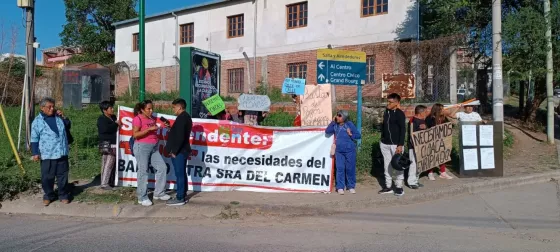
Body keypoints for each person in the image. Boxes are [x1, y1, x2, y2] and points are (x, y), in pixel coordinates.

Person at [31, 97, 72, 206]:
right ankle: (49, 195)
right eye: (49, 107)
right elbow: (34, 139)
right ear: (42, 108)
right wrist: (35, 153)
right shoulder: (37, 121)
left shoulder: (58, 117)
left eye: (53, 106)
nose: (52, 108)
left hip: (61, 152)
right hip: (48, 154)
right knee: (47, 177)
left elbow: (68, 125)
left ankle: (63, 194)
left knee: (63, 176)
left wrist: (63, 116)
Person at [132, 100, 171, 206]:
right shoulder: (137, 119)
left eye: (151, 108)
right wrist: (149, 129)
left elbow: (154, 129)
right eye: (148, 109)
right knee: (143, 172)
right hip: (142, 147)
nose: (151, 110)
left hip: (154, 147)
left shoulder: (151, 118)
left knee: (162, 168)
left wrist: (163, 126)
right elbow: (135, 135)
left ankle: (159, 193)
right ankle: (142, 197)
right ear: (142, 110)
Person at [164, 98, 193, 206]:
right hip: (182, 150)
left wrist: (174, 151)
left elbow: (180, 137)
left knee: (179, 174)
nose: (173, 109)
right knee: (181, 174)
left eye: (174, 107)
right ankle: (182, 194)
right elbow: (179, 133)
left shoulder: (182, 118)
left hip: (180, 151)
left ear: (179, 107)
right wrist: (171, 129)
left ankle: (180, 197)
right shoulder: (185, 117)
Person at [325, 110, 361, 195]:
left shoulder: (350, 124)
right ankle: (340, 187)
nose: (337, 117)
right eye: (337, 115)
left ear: (344, 117)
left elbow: (358, 135)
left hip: (350, 150)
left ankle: (351, 186)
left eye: (339, 115)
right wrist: (333, 121)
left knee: (350, 168)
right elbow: (327, 131)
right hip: (339, 151)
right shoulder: (335, 125)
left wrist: (351, 134)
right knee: (340, 168)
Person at [379, 93, 406, 196]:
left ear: (397, 103)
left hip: (396, 145)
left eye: (390, 102)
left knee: (399, 166)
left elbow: (403, 130)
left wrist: (400, 145)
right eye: (387, 101)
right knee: (387, 165)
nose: (388, 103)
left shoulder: (400, 114)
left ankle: (399, 187)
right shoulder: (386, 112)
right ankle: (388, 186)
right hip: (385, 144)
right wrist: (382, 139)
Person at [97, 101, 120, 190]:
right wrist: (115, 124)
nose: (112, 109)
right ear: (104, 110)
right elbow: (105, 129)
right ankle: (105, 183)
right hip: (107, 145)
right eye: (110, 108)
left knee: (109, 163)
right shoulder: (102, 119)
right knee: (108, 163)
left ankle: (108, 181)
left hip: (113, 143)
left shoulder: (113, 117)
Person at [426, 103, 453, 180]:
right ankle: (430, 172)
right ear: (437, 110)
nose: (443, 110)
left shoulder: (443, 118)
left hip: (442, 140)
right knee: (431, 156)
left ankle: (443, 172)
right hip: (432, 141)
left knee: (442, 155)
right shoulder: (429, 118)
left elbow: (449, 126)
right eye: (442, 109)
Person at [407, 105, 428, 190]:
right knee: (413, 164)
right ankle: (411, 182)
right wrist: (415, 146)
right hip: (414, 147)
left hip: (422, 146)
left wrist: (426, 127)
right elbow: (412, 134)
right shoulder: (413, 120)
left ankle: (416, 180)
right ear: (421, 112)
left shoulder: (423, 120)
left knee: (420, 164)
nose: (426, 114)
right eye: (425, 112)